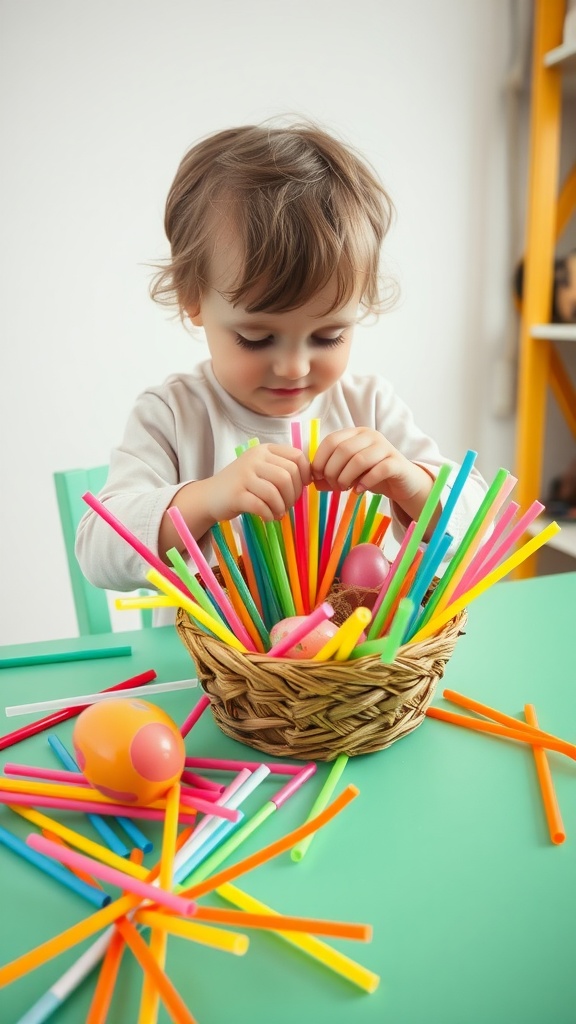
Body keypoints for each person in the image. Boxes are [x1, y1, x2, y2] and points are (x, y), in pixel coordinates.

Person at [76, 119, 488, 624]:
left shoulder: (370, 406)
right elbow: (97, 551)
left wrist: (412, 484)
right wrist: (207, 498)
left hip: (351, 684)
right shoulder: (174, 414)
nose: (293, 366)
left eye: (328, 336)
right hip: (218, 680)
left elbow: (483, 531)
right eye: (256, 338)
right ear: (192, 299)